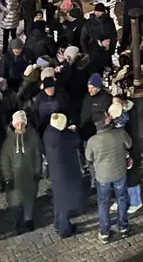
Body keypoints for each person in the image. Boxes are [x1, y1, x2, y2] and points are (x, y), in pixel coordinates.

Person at [86, 103, 133, 241]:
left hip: (103, 176)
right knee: (122, 198)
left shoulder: (92, 141)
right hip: (119, 172)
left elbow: (89, 158)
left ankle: (105, 232)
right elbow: (129, 144)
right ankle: (123, 226)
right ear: (106, 120)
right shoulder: (119, 133)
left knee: (103, 203)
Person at [0, 110, 43, 234]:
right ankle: (18, 222)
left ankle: (28, 219)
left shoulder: (32, 137)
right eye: (18, 124)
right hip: (15, 177)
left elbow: (37, 155)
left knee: (29, 198)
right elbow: (5, 161)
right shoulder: (8, 142)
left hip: (29, 174)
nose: (20, 127)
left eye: (22, 124)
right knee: (15, 201)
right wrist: (7, 177)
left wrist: (37, 171)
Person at [42, 112, 83, 238]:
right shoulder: (62, 139)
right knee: (64, 202)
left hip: (56, 173)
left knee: (58, 200)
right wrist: (74, 131)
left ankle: (58, 223)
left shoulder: (48, 133)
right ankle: (64, 229)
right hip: (65, 174)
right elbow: (76, 141)